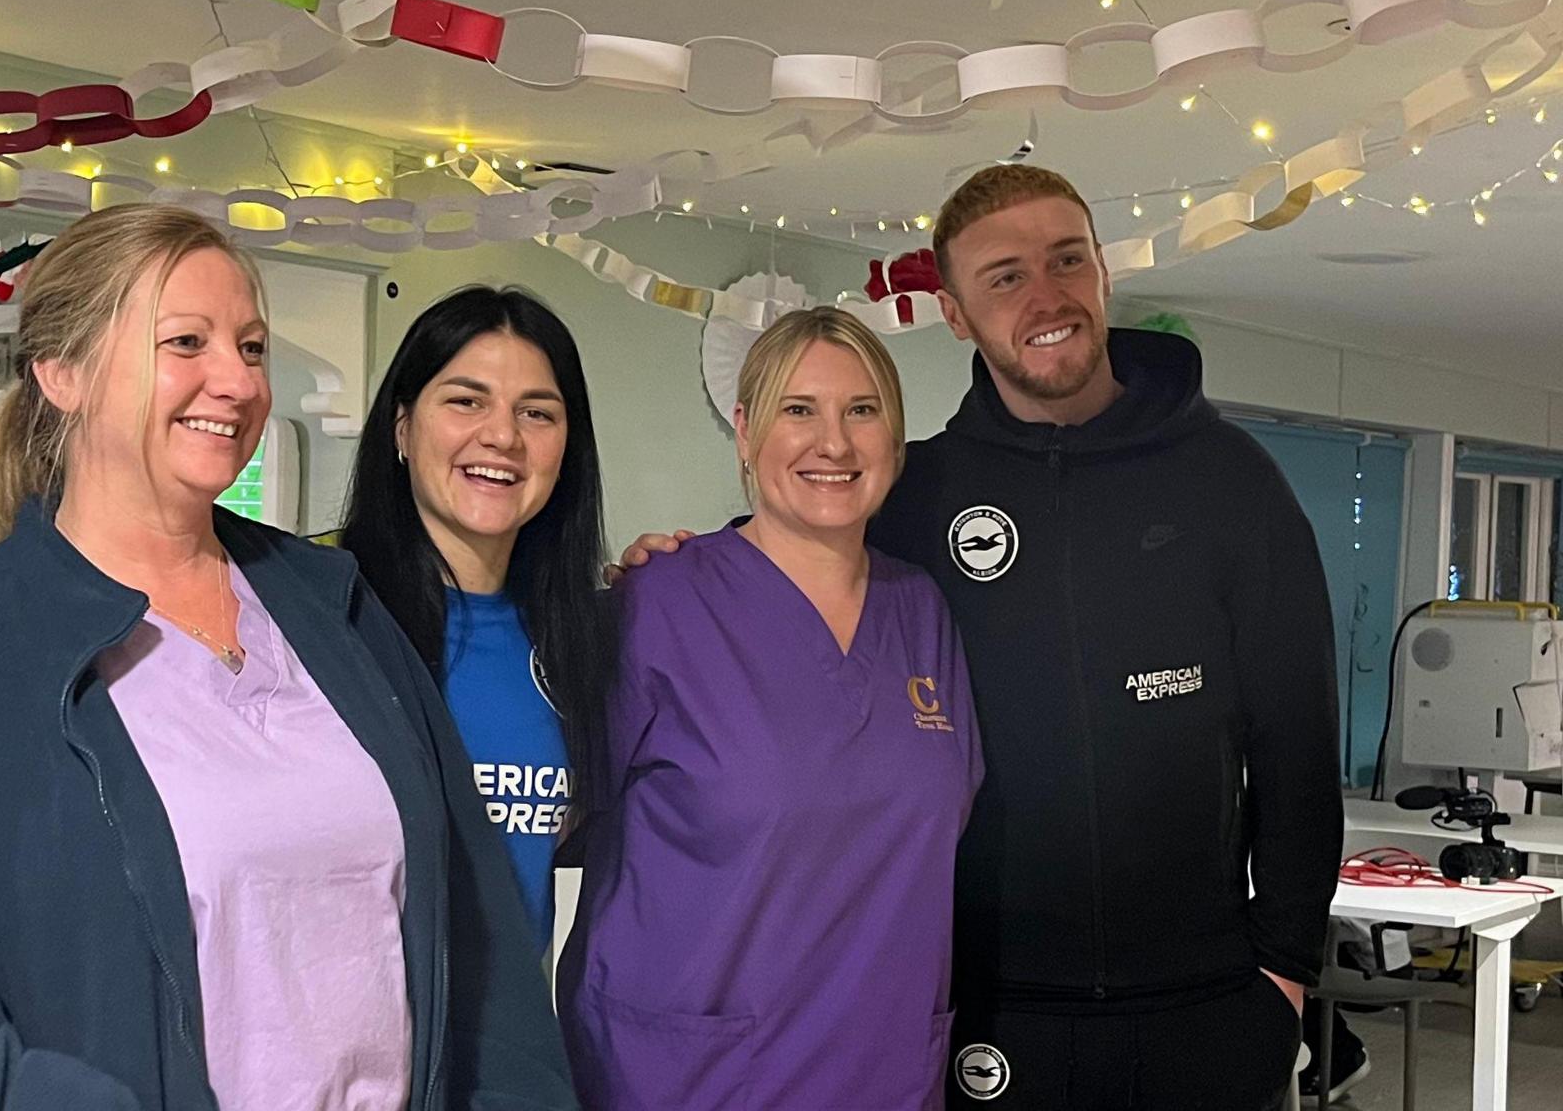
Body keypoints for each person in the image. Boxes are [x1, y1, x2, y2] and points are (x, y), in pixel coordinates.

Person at [0, 205, 576, 1111]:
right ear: (63, 372)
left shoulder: (337, 609)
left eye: (250, 348)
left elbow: (479, 946)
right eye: (186, 343)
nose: (237, 382)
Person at [618, 165, 1340, 1110]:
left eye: (1066, 259)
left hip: (1201, 1007)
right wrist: (668, 562)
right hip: (984, 1015)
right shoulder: (915, 503)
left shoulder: (1233, 484)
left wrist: (1282, 975)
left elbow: (1298, 747)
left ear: (1103, 275)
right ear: (955, 313)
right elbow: (787, 563)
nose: (1045, 296)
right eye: (1004, 276)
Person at [561, 307, 980, 1109]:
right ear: (747, 432)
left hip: (886, 1070)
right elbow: (549, 824)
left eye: (862, 411)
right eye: (799, 410)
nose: (834, 442)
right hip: (689, 1079)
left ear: (895, 440)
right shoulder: (657, 605)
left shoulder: (922, 611)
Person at [339, 285, 612, 945]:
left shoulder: (585, 642)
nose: (502, 437)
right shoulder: (322, 619)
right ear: (402, 426)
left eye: (537, 414)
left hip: (511, 1041)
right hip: (347, 1038)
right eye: (466, 401)